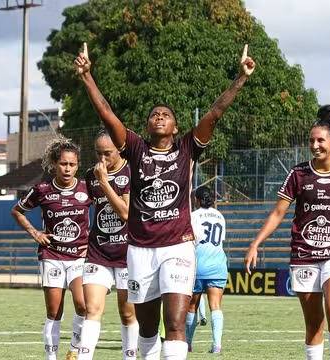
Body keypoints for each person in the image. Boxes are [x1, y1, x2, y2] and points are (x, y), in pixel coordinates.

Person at [76, 42, 255, 359]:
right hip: (140, 250)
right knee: (146, 330)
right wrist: (88, 76)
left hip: (177, 247)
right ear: (147, 126)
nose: (159, 116)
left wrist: (240, 78)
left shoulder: (187, 148)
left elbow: (215, 112)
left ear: (175, 127)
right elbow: (106, 113)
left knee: (174, 324)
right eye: (154, 114)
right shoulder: (135, 147)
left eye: (166, 115)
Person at [244, 105, 330, 360]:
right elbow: (277, 213)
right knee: (314, 323)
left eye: (320, 140)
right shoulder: (298, 174)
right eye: (311, 140)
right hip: (303, 255)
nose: (315, 145)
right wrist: (255, 243)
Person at [11, 136, 91, 360]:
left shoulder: (87, 189)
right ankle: (51, 357)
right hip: (52, 256)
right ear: (55, 164)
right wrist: (35, 233)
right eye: (63, 164)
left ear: (78, 165)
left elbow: (106, 210)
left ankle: (74, 350)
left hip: (79, 256)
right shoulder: (42, 190)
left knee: (83, 305)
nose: (67, 168)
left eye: (72, 164)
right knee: (54, 312)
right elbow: (17, 211)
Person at [77, 130, 138, 359]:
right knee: (91, 309)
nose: (102, 160)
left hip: (127, 253)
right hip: (98, 252)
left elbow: (125, 213)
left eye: (108, 154)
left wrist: (104, 182)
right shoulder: (91, 175)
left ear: (119, 150)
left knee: (127, 313)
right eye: (98, 154)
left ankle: (129, 356)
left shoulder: (131, 171)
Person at [185, 187, 227, 354]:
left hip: (198, 265)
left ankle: (187, 343)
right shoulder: (220, 216)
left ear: (198, 199)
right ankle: (216, 345)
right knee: (215, 306)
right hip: (217, 265)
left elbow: (191, 239)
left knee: (192, 306)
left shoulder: (193, 216)